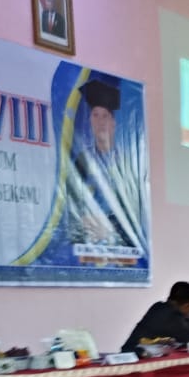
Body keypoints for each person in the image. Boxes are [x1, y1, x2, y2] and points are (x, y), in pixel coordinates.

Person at [66, 77, 147, 254]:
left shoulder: (126, 166)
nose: (100, 122)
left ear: (113, 123)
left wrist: (110, 229)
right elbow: (73, 205)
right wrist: (84, 221)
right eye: (95, 115)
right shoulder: (82, 161)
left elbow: (133, 214)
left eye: (105, 116)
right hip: (89, 243)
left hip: (121, 246)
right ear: (90, 121)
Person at [120, 280, 189, 353]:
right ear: (186, 305)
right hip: (136, 358)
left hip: (136, 354)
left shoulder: (159, 307)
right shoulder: (170, 317)